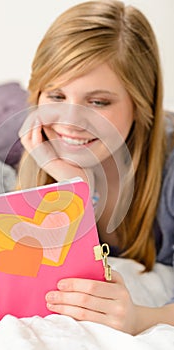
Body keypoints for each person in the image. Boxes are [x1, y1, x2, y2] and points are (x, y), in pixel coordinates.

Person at [16, 0, 174, 335]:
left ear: (141, 102)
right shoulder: (42, 148)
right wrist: (72, 186)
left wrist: (142, 319)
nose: (71, 123)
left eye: (98, 102)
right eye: (57, 96)